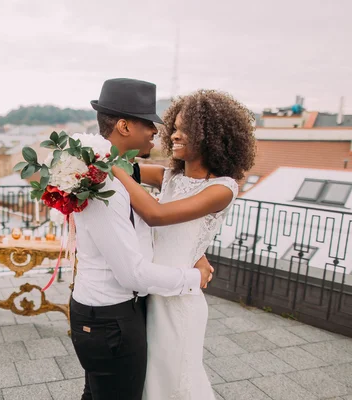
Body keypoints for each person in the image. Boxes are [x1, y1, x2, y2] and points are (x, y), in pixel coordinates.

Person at [70, 78, 215, 400]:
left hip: (114, 311)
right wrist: (195, 276)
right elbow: (132, 273)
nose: (156, 132)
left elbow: (171, 187)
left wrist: (194, 247)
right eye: (150, 124)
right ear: (123, 126)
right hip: (109, 317)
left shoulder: (117, 172)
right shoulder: (101, 184)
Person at [111, 89, 256, 399]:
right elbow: (124, 166)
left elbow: (156, 214)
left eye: (184, 129)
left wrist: (114, 171)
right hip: (152, 292)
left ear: (210, 135)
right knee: (153, 381)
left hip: (180, 302)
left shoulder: (223, 188)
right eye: (174, 128)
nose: (174, 135)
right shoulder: (170, 178)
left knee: (176, 382)